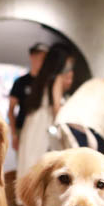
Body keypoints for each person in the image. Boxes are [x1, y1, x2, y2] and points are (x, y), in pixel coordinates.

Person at [17, 45, 74, 178]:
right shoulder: (56, 79)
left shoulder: (41, 79)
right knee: (40, 165)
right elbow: (56, 108)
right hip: (44, 125)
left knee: (28, 162)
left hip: (32, 125)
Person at [7, 42, 49, 151]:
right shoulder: (20, 82)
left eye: (44, 58)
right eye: (38, 56)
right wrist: (14, 134)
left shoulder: (48, 83)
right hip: (23, 128)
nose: (40, 60)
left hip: (42, 131)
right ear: (32, 56)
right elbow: (11, 110)